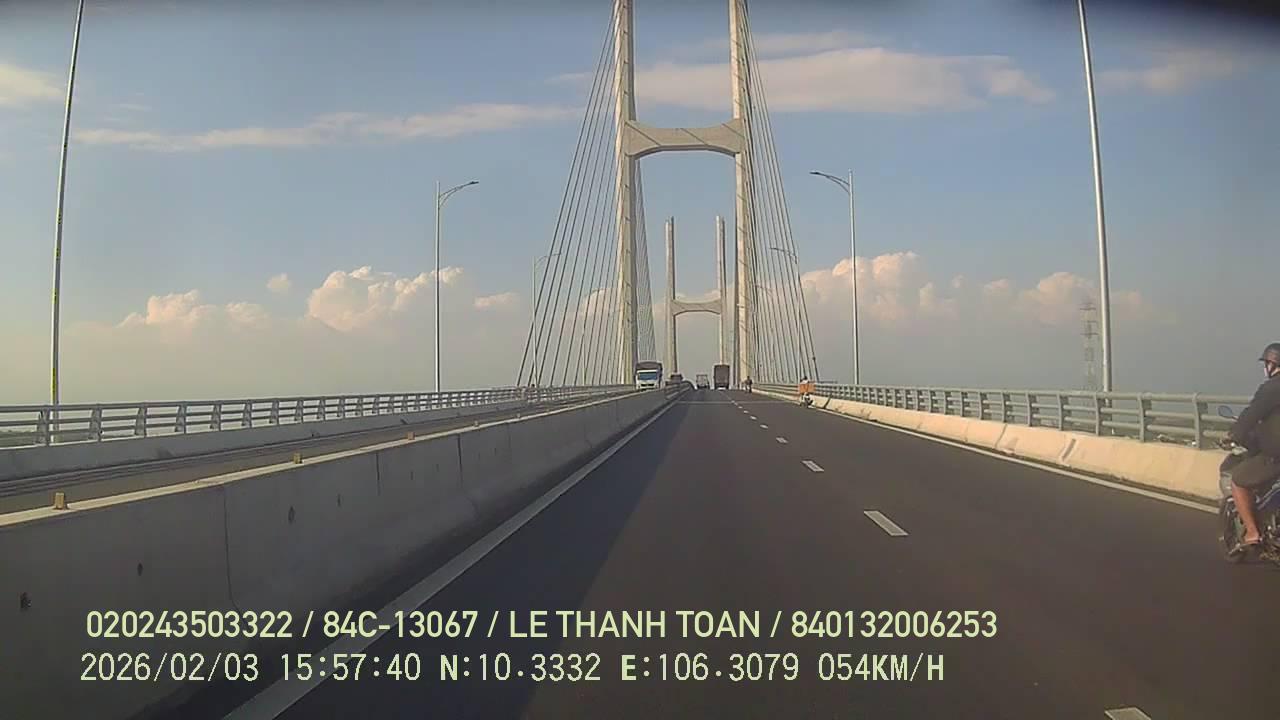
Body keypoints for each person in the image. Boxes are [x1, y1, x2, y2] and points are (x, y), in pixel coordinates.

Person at [1224, 342, 1280, 550]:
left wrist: (1234, 435)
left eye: (1266, 363)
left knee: (1238, 481)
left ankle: (1252, 532)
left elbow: (1251, 414)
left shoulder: (1271, 388)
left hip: (1275, 456)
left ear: (1272, 364)